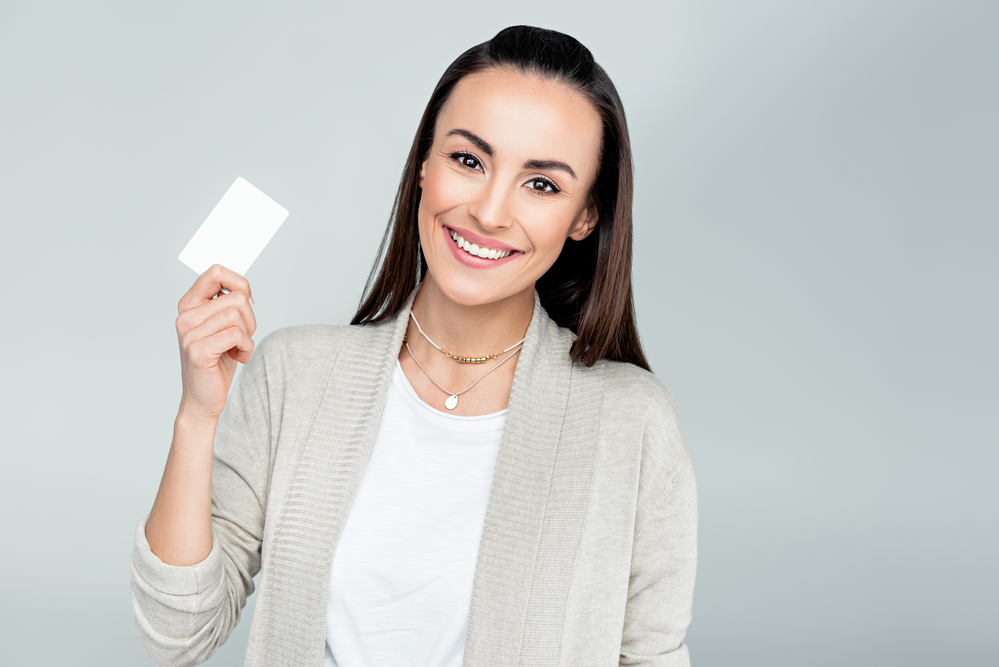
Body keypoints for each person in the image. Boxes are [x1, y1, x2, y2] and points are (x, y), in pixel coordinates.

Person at [130, 25, 697, 667]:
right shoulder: (293, 374)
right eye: (468, 160)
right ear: (424, 166)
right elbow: (176, 635)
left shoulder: (632, 421)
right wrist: (196, 416)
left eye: (541, 184)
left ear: (585, 216)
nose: (489, 211)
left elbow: (650, 655)